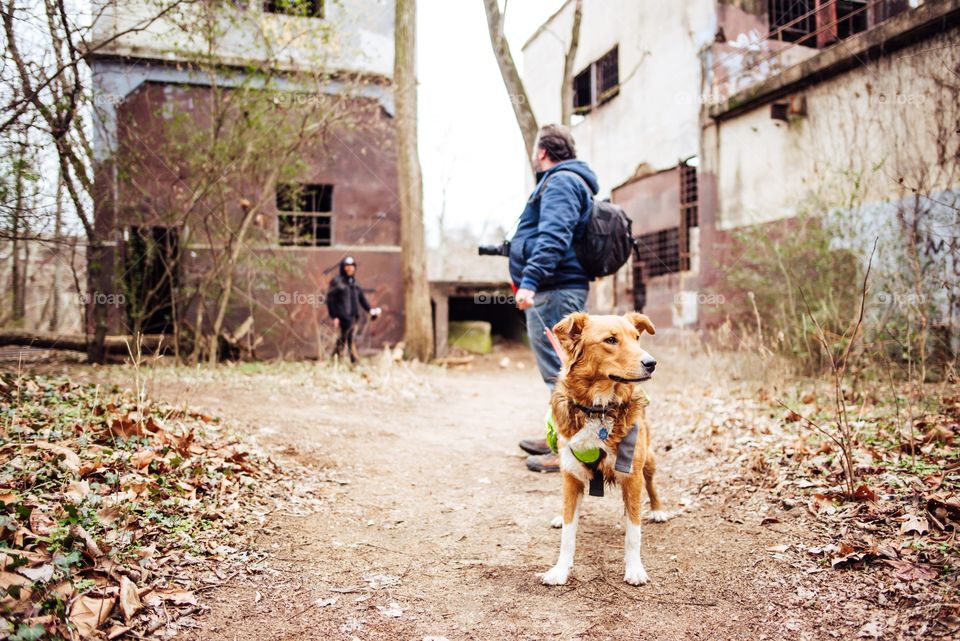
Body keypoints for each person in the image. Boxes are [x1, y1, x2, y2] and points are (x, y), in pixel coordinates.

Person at [510, 124, 598, 473]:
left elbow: (554, 236)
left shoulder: (560, 182)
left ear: (542, 153)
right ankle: (558, 436)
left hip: (555, 291)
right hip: (559, 289)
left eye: (535, 150)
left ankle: (571, 447)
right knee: (563, 371)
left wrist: (529, 280)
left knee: (564, 373)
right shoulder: (568, 181)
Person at [326, 256, 381, 363]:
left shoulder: (355, 284)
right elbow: (330, 301)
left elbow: (362, 300)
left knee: (346, 338)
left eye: (352, 266)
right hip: (342, 316)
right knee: (348, 338)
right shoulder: (337, 282)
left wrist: (370, 310)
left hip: (353, 316)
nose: (350, 269)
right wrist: (334, 316)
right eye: (347, 266)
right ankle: (350, 359)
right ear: (343, 267)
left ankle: (338, 357)